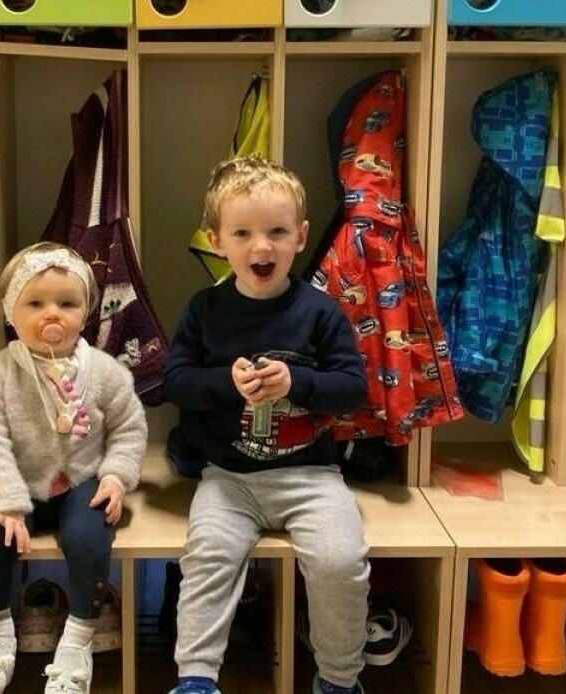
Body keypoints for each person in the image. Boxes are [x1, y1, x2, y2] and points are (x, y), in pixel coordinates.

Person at [164, 155, 372, 694]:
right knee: (207, 559)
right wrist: (224, 383)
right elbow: (174, 383)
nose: (263, 247)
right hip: (228, 479)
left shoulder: (321, 312)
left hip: (312, 478)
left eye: (278, 232)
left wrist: (298, 383)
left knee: (339, 562)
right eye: (244, 233)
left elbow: (354, 388)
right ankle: (195, 680)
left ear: (301, 237)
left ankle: (339, 681)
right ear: (216, 240)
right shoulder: (205, 310)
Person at [0, 242, 147, 694]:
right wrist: (6, 501)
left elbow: (129, 427)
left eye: (67, 304)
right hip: (19, 481)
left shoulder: (104, 371)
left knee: (88, 537)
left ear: (85, 312)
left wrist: (116, 476)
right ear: (11, 312)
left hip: (82, 479)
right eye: (36, 303)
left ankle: (78, 640)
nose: (52, 315)